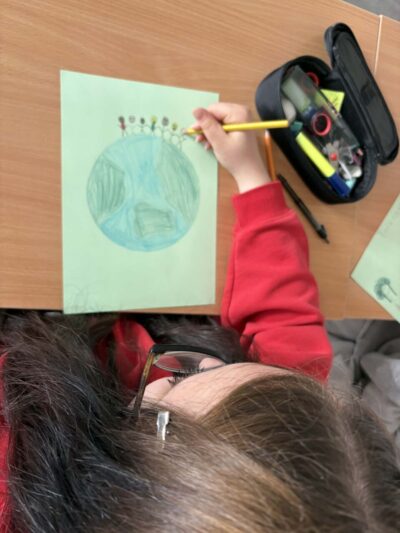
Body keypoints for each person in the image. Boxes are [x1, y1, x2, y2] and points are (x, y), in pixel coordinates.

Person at [0, 104, 399, 532]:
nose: (209, 361)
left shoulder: (17, 455)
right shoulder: (285, 420)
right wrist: (252, 176)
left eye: (180, 379)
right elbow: (285, 319)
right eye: (224, 368)